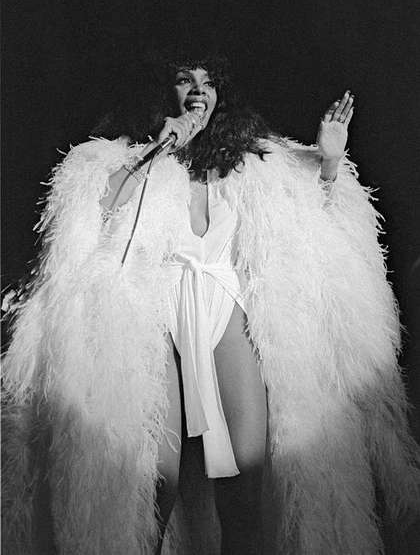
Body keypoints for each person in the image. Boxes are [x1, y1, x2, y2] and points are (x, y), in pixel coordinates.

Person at [2, 51, 420, 555]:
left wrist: (330, 159)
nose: (199, 88)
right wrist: (159, 148)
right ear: (167, 92)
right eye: (186, 79)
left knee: (245, 478)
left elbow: (318, 221)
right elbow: (92, 211)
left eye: (209, 81)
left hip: (224, 303)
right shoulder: (129, 154)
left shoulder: (256, 162)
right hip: (158, 309)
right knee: (154, 483)